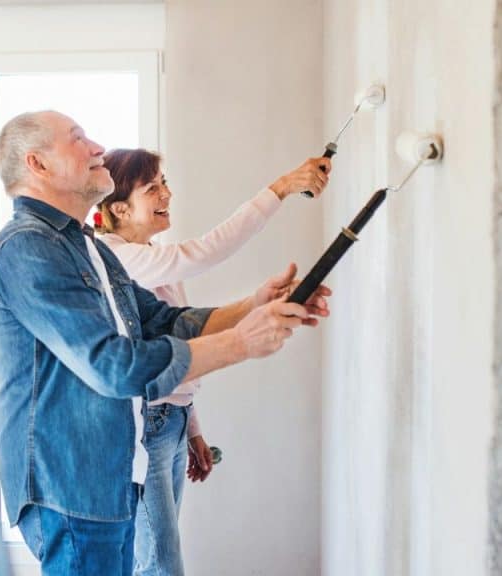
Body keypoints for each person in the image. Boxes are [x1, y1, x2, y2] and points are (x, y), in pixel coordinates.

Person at [0, 110, 329, 576]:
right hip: (71, 488)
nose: (98, 147)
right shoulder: (26, 248)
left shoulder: (91, 248)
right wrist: (241, 342)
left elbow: (161, 322)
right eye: (78, 138)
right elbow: (113, 366)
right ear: (37, 165)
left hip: (114, 477)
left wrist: (254, 305)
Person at [94, 148, 331, 575]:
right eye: (153, 188)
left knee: (157, 563)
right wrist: (280, 189)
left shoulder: (151, 257)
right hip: (147, 427)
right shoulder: (119, 257)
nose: (167, 193)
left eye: (165, 183)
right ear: (119, 209)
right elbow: (205, 252)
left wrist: (193, 427)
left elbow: (181, 340)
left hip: (171, 420)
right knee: (160, 567)